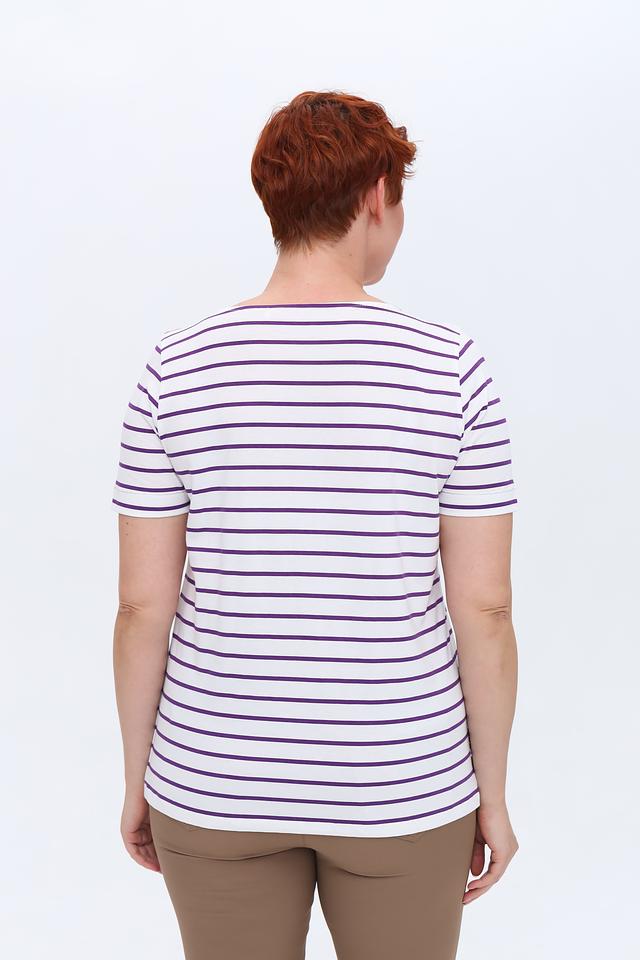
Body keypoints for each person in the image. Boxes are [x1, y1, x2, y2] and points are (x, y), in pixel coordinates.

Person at [111, 90, 520, 960]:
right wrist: (492, 793)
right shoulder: (451, 369)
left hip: (214, 780)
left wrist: (139, 776)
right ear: (376, 196)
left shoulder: (175, 368)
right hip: (402, 784)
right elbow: (483, 610)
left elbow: (143, 609)